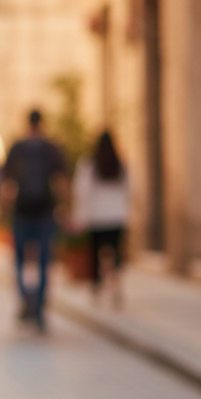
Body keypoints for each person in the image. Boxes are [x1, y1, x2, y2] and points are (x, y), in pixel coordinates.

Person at [3, 109, 66, 330]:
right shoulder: (51, 149)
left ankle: (25, 300)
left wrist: (6, 209)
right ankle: (38, 308)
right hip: (45, 212)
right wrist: (63, 208)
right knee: (43, 262)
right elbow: (60, 181)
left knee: (20, 261)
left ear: (27, 123)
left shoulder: (18, 148)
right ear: (42, 123)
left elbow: (7, 185)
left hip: (21, 212)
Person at [72, 130, 129, 305]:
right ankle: (116, 286)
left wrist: (79, 216)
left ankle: (96, 289)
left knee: (96, 254)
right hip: (117, 216)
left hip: (97, 218)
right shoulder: (120, 165)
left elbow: (82, 191)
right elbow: (131, 189)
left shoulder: (89, 165)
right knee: (115, 253)